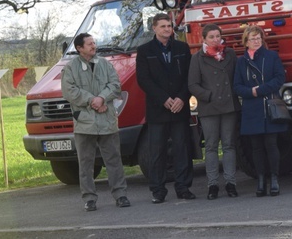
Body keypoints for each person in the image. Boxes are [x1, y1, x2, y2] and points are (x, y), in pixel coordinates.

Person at [61, 33, 131, 211]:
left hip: (107, 121)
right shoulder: (70, 68)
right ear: (79, 48)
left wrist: (102, 98)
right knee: (85, 163)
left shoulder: (105, 64)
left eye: (94, 42)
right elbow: (70, 92)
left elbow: (115, 85)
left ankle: (120, 195)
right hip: (84, 124)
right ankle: (89, 198)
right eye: (90, 43)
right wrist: (93, 101)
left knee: (114, 160)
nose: (94, 46)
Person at [135, 13, 195, 203]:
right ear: (154, 28)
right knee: (157, 152)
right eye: (163, 26)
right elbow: (143, 79)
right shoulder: (145, 51)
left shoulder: (182, 48)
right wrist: (164, 99)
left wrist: (181, 98)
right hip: (157, 109)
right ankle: (158, 190)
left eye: (169, 26)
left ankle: (183, 187)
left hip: (180, 108)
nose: (167, 29)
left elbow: (189, 77)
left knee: (182, 149)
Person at [233, 25, 287, 197]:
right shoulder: (241, 62)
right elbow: (237, 86)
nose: (256, 41)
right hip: (251, 108)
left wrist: (260, 90)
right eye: (252, 39)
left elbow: (279, 78)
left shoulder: (271, 56)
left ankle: (275, 179)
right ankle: (261, 179)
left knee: (271, 144)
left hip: (269, 105)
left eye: (258, 38)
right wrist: (251, 92)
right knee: (256, 147)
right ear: (246, 42)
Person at [188, 23, 240, 200]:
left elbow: (237, 76)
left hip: (229, 105)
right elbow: (192, 84)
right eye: (211, 37)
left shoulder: (230, 54)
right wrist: (208, 96)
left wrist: (233, 93)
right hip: (209, 107)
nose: (215, 39)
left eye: (218, 36)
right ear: (204, 39)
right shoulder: (197, 58)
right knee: (210, 147)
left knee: (229, 145)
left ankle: (231, 183)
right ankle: (212, 185)